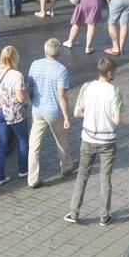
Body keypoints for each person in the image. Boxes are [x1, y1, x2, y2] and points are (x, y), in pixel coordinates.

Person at [65, 57, 123, 226]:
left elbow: (76, 112)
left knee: (82, 175)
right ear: (110, 72)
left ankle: (74, 213)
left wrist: (90, 114)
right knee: (106, 178)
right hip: (108, 141)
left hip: (88, 139)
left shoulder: (86, 87)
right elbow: (117, 119)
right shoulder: (115, 91)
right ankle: (104, 216)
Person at [26, 39, 75, 189]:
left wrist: (33, 101)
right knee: (60, 140)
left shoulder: (35, 64)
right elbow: (62, 95)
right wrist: (66, 117)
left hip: (38, 110)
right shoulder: (61, 69)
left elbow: (30, 87)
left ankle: (32, 178)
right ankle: (66, 167)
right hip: (54, 112)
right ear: (58, 52)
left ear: (45, 50)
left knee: (34, 145)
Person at [0, 45, 29, 186]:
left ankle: (0, 177)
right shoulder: (17, 75)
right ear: (14, 58)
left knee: (1, 143)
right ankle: (23, 170)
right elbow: (21, 98)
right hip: (15, 113)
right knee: (22, 140)